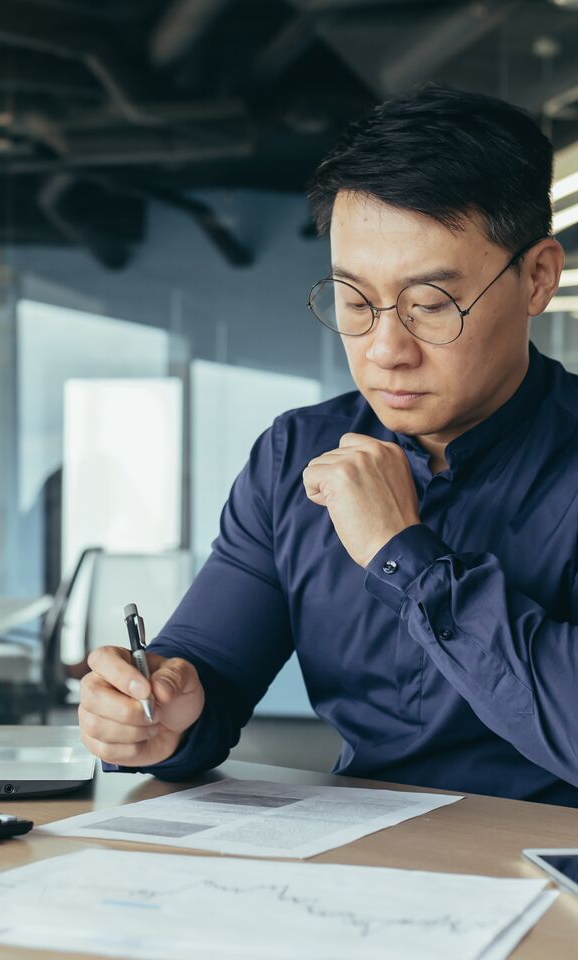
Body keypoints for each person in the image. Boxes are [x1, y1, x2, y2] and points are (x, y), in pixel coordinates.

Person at [77, 83, 578, 805]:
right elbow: (208, 669)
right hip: (356, 868)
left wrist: (403, 554)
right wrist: (160, 717)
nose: (385, 349)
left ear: (537, 278)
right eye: (353, 302)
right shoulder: (295, 457)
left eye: (431, 305)